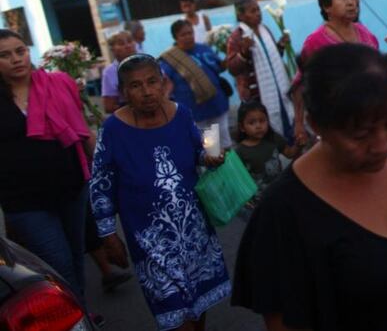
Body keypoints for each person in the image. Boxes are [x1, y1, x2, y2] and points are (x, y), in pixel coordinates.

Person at [232, 43, 387, 330]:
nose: (381, 145)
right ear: (316, 124)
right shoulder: (283, 211)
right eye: (361, 134)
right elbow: (282, 318)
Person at [90, 54, 229, 331]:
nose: (147, 91)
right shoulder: (113, 129)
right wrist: (107, 234)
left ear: (163, 82)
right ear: (124, 92)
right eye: (136, 85)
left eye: (152, 82)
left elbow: (198, 150)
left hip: (194, 231)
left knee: (199, 306)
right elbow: (100, 184)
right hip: (151, 241)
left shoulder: (181, 113)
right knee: (175, 314)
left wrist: (210, 155)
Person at [0, 29, 93, 304]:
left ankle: (81, 310)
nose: (16, 59)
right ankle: (78, 314)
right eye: (4, 55)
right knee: (58, 263)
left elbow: (82, 130)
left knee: (76, 255)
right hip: (25, 202)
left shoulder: (58, 84)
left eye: (21, 51)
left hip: (71, 189)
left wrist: (103, 171)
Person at [291, 0, 387, 145]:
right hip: (342, 120)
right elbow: (300, 84)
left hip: (373, 114)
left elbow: (374, 67)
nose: (351, 3)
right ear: (326, 7)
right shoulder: (316, 41)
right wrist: (299, 123)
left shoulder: (364, 33)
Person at [226, 0, 294, 142]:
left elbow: (272, 58)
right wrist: (243, 52)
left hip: (279, 89)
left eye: (258, 9)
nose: (258, 13)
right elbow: (232, 68)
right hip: (259, 95)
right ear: (241, 16)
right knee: (266, 131)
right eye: (253, 11)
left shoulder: (265, 30)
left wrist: (281, 45)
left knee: (288, 121)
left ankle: (290, 149)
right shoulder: (236, 37)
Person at [160, 19, 232, 149]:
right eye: (183, 34)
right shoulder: (170, 59)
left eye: (190, 33)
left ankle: (232, 169)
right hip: (196, 112)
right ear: (175, 37)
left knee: (226, 144)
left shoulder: (204, 48)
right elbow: (165, 83)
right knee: (210, 149)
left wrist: (228, 55)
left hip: (217, 104)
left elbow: (219, 68)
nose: (188, 37)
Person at [234, 101, 299, 207]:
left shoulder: (273, 138)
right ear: (242, 127)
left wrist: (298, 145)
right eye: (252, 123)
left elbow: (289, 153)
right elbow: (238, 178)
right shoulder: (240, 151)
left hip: (281, 190)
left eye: (262, 121)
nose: (258, 126)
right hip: (259, 199)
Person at [101, 30, 137, 113]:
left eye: (130, 41)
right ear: (112, 49)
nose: (128, 46)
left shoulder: (147, 62)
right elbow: (109, 107)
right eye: (121, 43)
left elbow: (167, 83)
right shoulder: (109, 72)